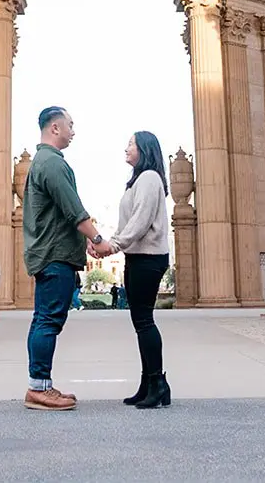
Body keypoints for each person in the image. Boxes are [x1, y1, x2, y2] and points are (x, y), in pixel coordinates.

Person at [21, 105, 110, 410]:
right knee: (48, 320)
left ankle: (40, 385)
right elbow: (74, 210)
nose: (73, 131)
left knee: (42, 319)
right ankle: (39, 388)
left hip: (49, 253)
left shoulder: (43, 162)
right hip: (55, 256)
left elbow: (59, 213)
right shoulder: (52, 163)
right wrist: (97, 239)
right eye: (70, 125)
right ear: (55, 128)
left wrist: (83, 240)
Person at [99, 130, 173, 409]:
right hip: (137, 257)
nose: (126, 148)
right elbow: (129, 223)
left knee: (144, 321)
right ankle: (149, 383)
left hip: (148, 258)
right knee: (141, 322)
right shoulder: (138, 181)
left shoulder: (150, 178)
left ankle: (158, 384)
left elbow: (141, 221)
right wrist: (109, 243)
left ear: (144, 149)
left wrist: (113, 245)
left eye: (131, 144)